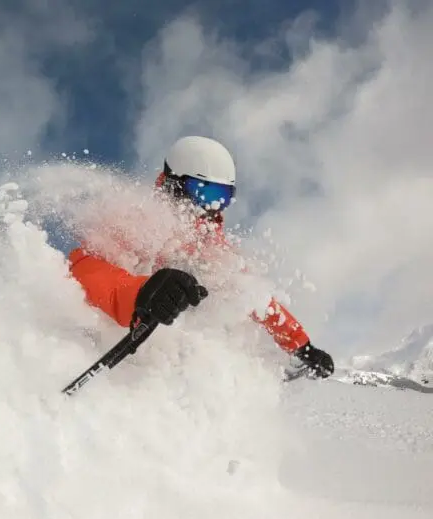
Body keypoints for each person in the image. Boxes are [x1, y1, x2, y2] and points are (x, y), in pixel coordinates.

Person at [68, 135, 334, 379]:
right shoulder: (136, 221)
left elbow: (257, 300)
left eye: (222, 197)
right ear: (172, 185)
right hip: (113, 360)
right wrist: (139, 293)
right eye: (205, 193)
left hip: (172, 376)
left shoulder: (213, 249)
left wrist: (302, 346)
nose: (211, 208)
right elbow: (84, 267)